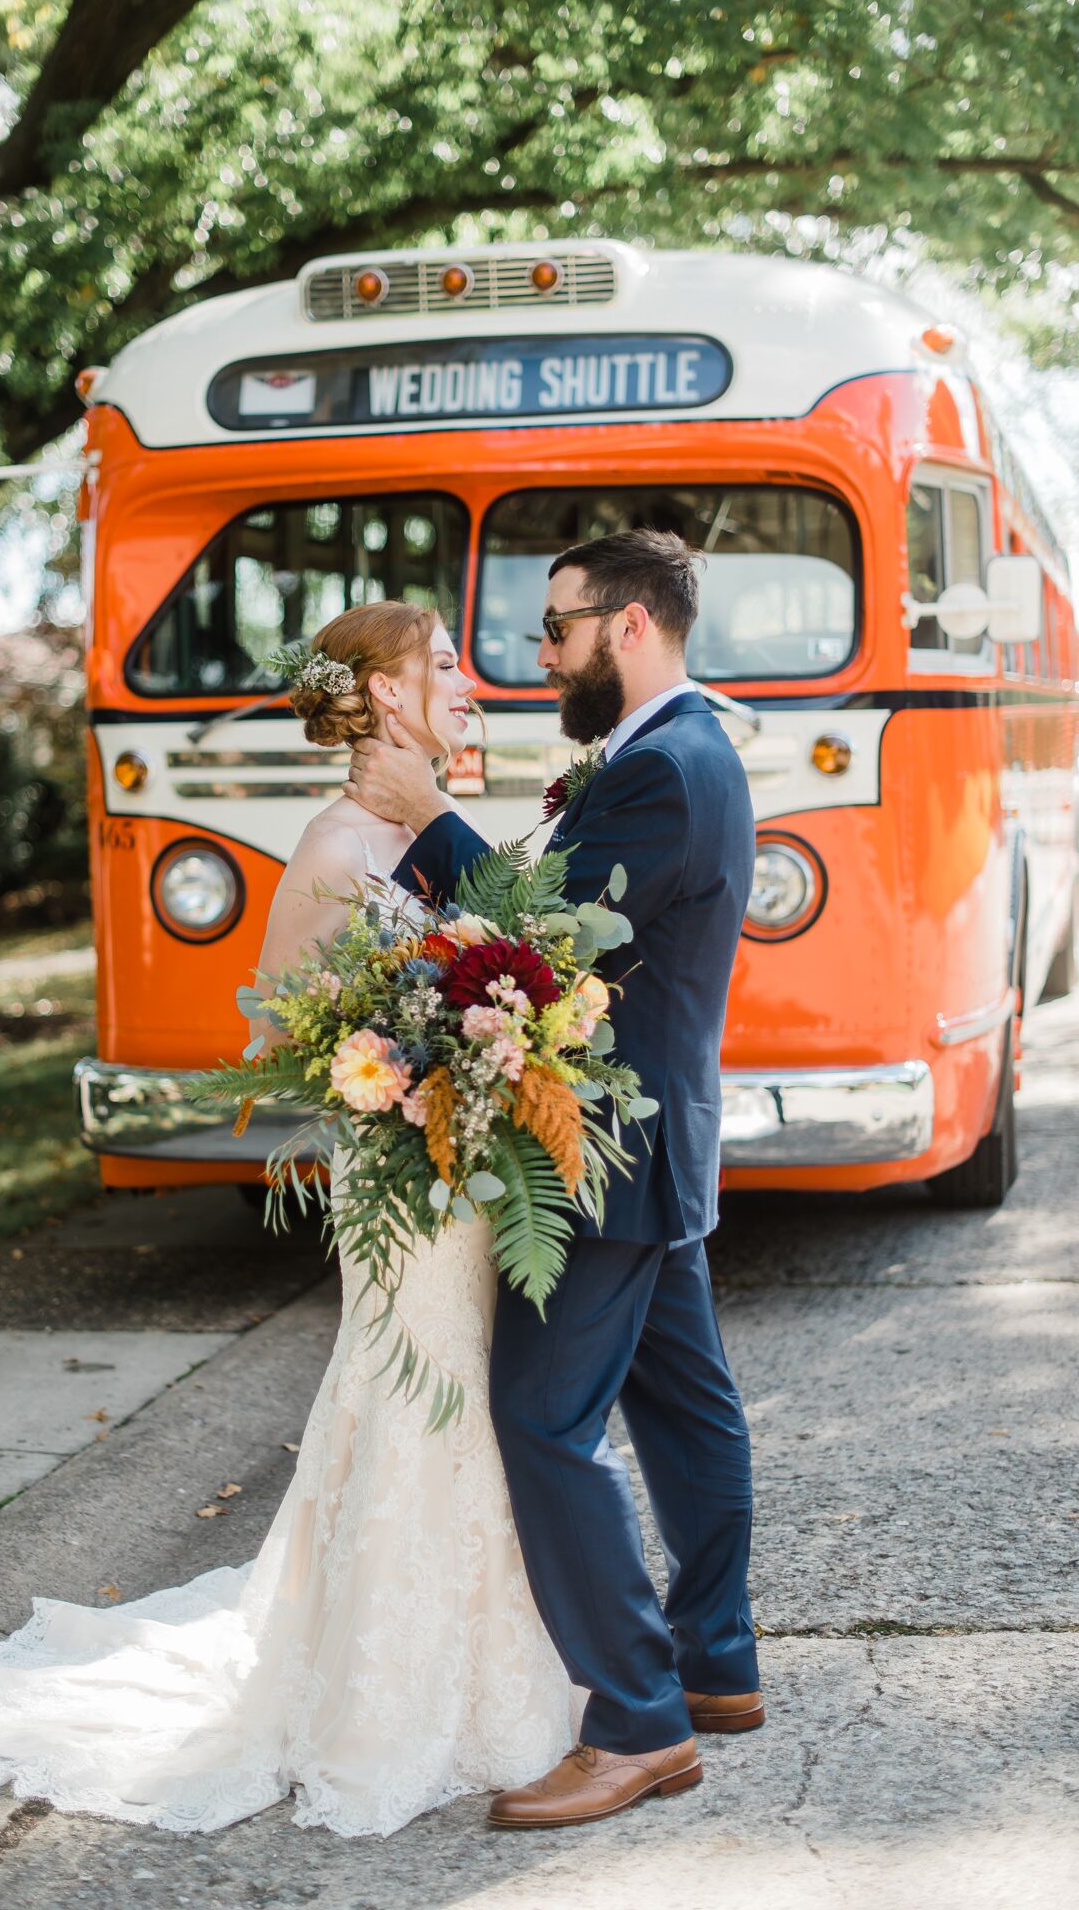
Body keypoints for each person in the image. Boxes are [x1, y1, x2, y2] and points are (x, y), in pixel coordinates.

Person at [0, 601, 581, 1840]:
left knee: (465, 1404)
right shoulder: (336, 846)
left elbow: (503, 956)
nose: (464, 675)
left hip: (462, 1178)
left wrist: (481, 1057)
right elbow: (276, 1034)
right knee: (411, 1405)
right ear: (384, 696)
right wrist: (384, 1070)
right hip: (400, 1185)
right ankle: (379, 1699)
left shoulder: (439, 831)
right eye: (440, 660)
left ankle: (477, 1663)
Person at [343, 529, 761, 1829]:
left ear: (627, 627)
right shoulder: (660, 758)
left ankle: (636, 1721)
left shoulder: (670, 770)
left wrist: (423, 819)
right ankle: (716, 1663)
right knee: (686, 1408)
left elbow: (537, 941)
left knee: (537, 1420)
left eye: (556, 626)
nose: (540, 653)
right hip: (651, 1145)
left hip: (610, 1154)